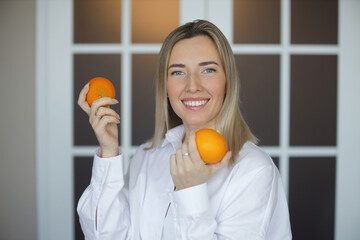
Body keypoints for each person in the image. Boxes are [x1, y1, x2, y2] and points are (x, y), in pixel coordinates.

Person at [77, 20, 292, 239]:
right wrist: (109, 151)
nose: (192, 86)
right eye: (178, 72)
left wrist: (190, 192)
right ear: (166, 87)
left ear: (228, 81)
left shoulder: (253, 170)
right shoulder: (147, 157)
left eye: (208, 70)